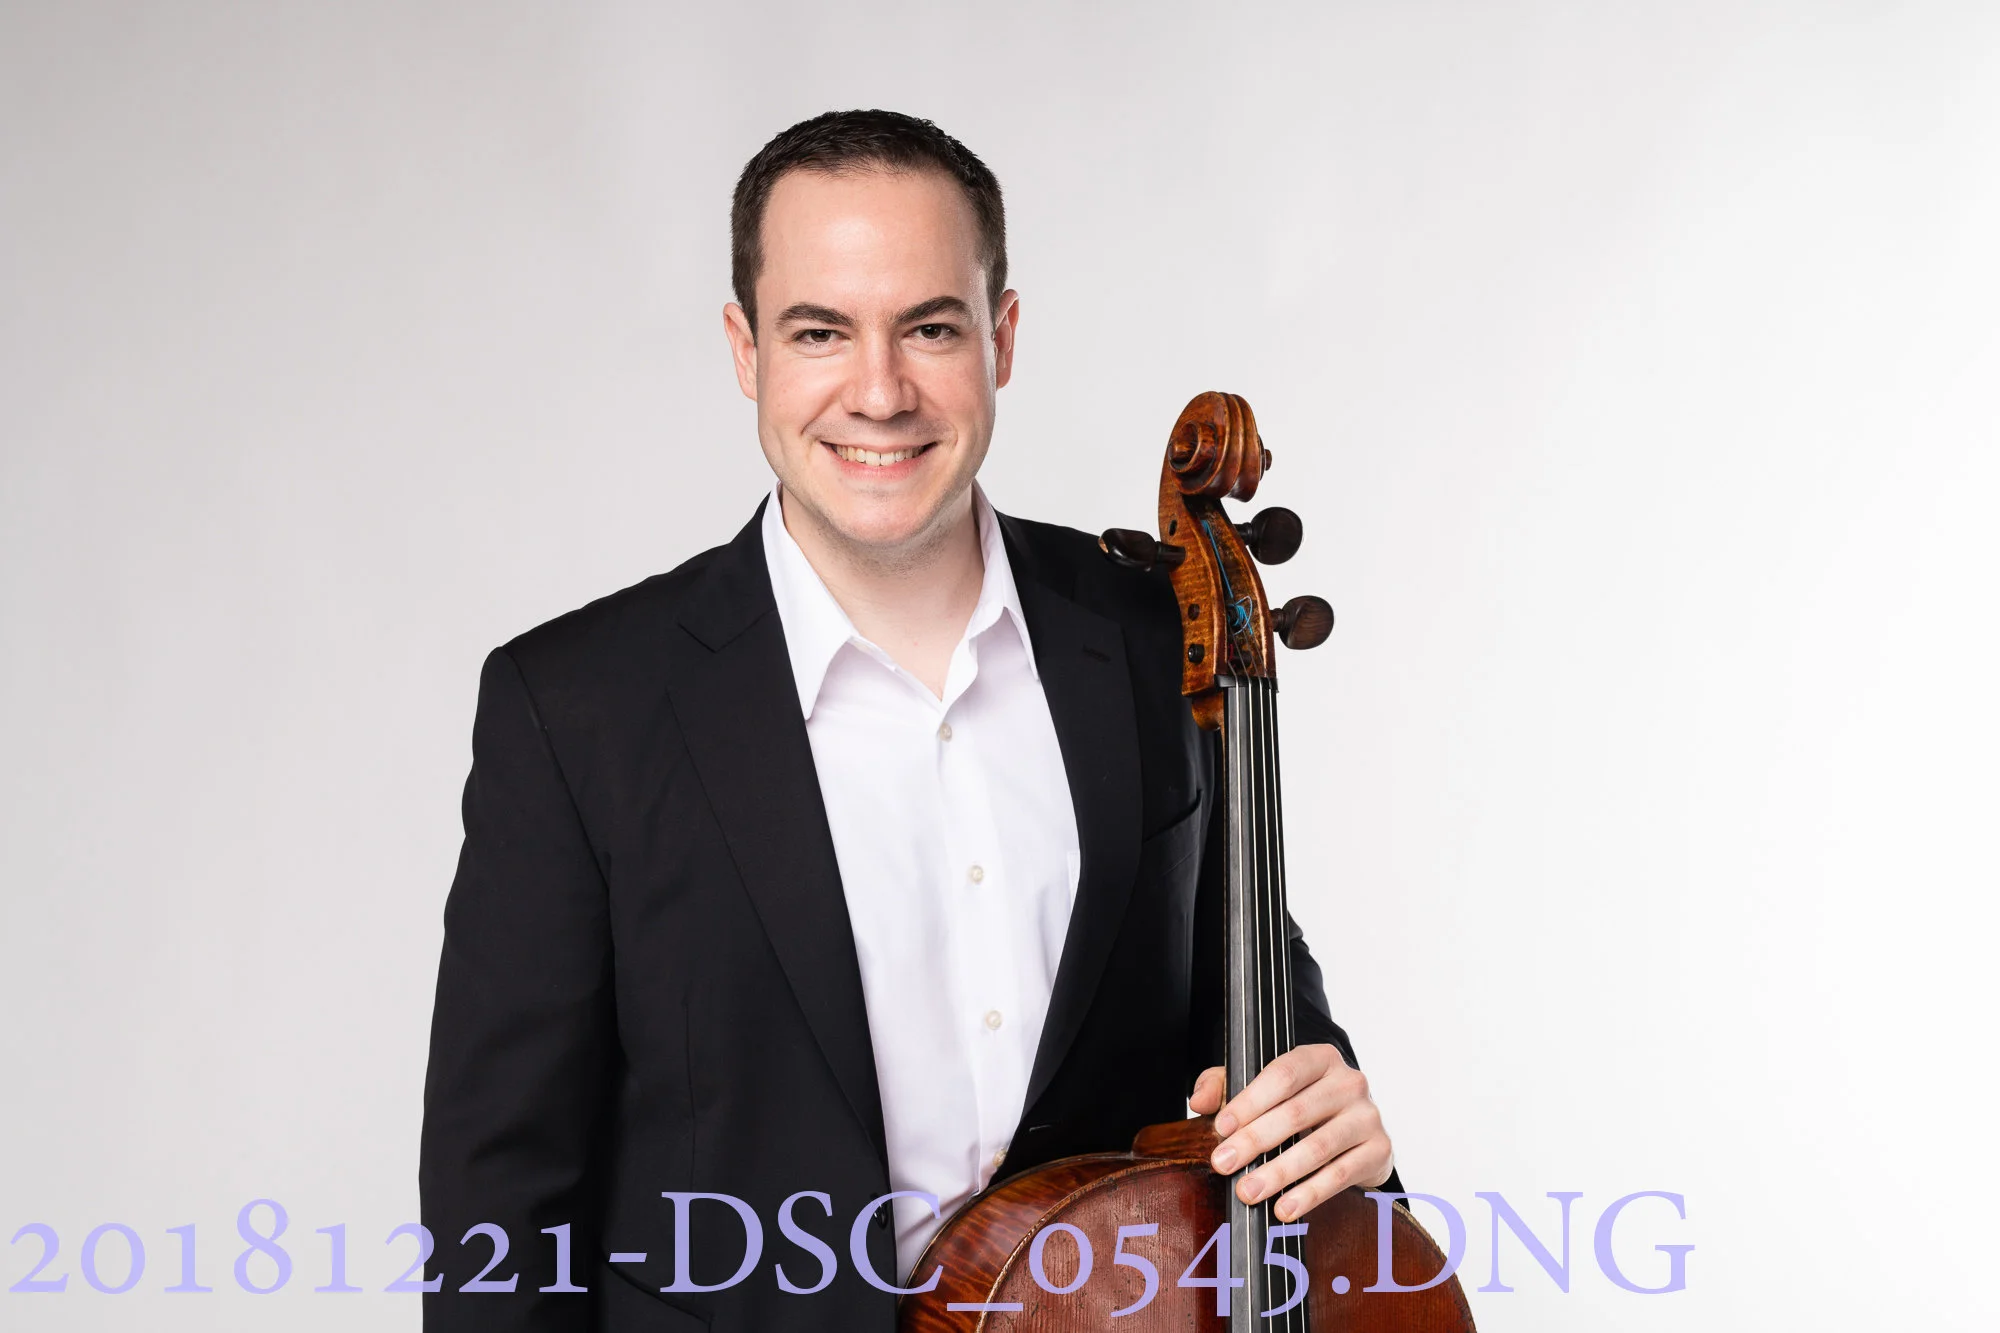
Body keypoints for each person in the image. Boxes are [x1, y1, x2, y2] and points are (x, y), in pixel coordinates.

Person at [419, 108, 1398, 1333]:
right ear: (745, 350)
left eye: (929, 328)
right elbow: (499, 1217)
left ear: (1001, 337)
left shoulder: (1153, 643)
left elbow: (1267, 1037)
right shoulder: (576, 709)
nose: (878, 393)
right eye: (819, 332)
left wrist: (1329, 1128)